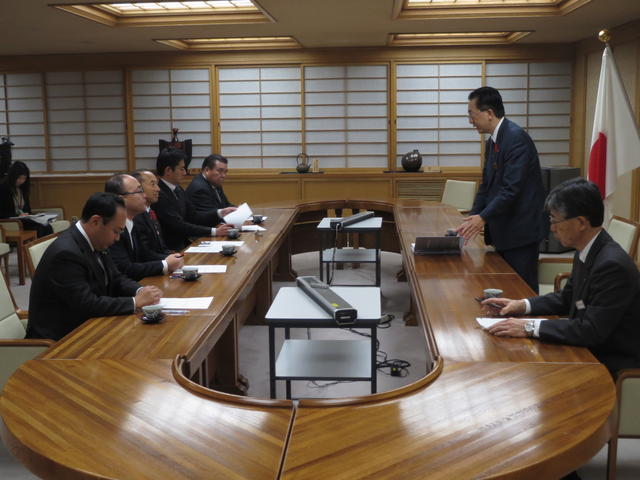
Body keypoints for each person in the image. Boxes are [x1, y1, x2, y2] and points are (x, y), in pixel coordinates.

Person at [483, 178, 640, 375]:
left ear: (581, 222)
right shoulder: (587, 249)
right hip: (585, 350)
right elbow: (567, 299)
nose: (552, 228)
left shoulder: (612, 265)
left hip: (610, 366)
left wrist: (529, 326)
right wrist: (522, 305)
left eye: (555, 221)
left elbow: (591, 331)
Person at [27, 192, 162, 341]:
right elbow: (87, 304)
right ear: (95, 221)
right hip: (60, 340)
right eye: (115, 231)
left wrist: (140, 290)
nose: (117, 238)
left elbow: (116, 278)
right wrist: (135, 302)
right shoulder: (65, 253)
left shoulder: (96, 239)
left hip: (88, 326)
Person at [457, 87, 545, 293]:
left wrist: (484, 217)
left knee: (522, 289)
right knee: (505, 286)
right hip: (504, 228)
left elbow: (511, 189)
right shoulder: (493, 142)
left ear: (489, 113)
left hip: (522, 230)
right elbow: (486, 185)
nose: (470, 120)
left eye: (472, 114)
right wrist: (474, 217)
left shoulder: (516, 138)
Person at [105, 173, 183, 281]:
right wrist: (164, 264)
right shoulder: (112, 229)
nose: (145, 196)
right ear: (121, 199)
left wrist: (170, 259)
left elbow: (143, 255)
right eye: (139, 191)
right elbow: (124, 268)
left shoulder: (132, 222)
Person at [154, 148, 233, 251]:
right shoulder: (159, 194)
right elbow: (178, 225)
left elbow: (194, 216)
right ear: (168, 170)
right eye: (181, 169)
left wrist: (220, 212)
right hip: (172, 249)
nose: (185, 172)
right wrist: (214, 231)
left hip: (185, 244)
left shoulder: (178, 189)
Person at [0, 161, 53, 237]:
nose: (21, 181)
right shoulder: (3, 189)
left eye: (24, 178)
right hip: (13, 222)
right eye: (19, 178)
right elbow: (2, 213)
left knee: (47, 227)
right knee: (39, 229)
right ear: (12, 176)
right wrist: (18, 215)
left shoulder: (22, 189)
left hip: (24, 221)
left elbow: (28, 210)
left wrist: (27, 215)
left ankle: (47, 248)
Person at [130, 169, 170, 256]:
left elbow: (161, 247)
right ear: (138, 187)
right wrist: (167, 261)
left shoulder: (151, 211)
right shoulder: (136, 215)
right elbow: (144, 253)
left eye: (157, 184)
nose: (158, 189)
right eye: (153, 184)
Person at [185, 154, 237, 221]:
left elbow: (225, 205)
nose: (223, 175)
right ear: (207, 170)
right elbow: (211, 216)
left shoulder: (215, 183)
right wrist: (236, 220)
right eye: (220, 171)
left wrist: (237, 209)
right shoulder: (200, 188)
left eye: (225, 172)